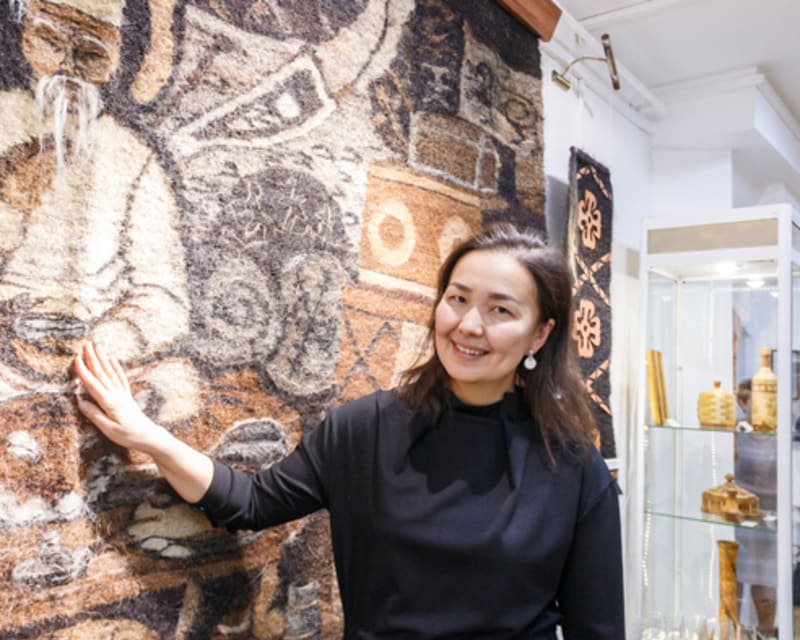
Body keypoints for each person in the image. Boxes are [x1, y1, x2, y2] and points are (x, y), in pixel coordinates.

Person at [74, 225, 625, 639]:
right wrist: (148, 436)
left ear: (539, 334)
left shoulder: (574, 468)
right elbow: (250, 502)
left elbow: (597, 630)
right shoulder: (366, 428)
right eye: (458, 299)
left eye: (500, 310)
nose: (469, 325)